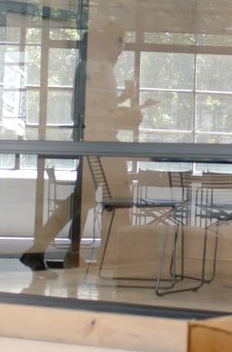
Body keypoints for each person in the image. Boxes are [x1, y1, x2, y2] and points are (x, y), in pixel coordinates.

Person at [19, 21, 145, 272]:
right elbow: (99, 114)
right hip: (102, 143)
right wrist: (129, 114)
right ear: (108, 43)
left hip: (92, 142)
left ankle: (50, 250)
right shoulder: (100, 68)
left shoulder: (86, 67)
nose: (122, 49)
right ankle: (114, 257)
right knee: (119, 199)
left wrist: (123, 100)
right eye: (120, 42)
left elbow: (94, 107)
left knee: (82, 199)